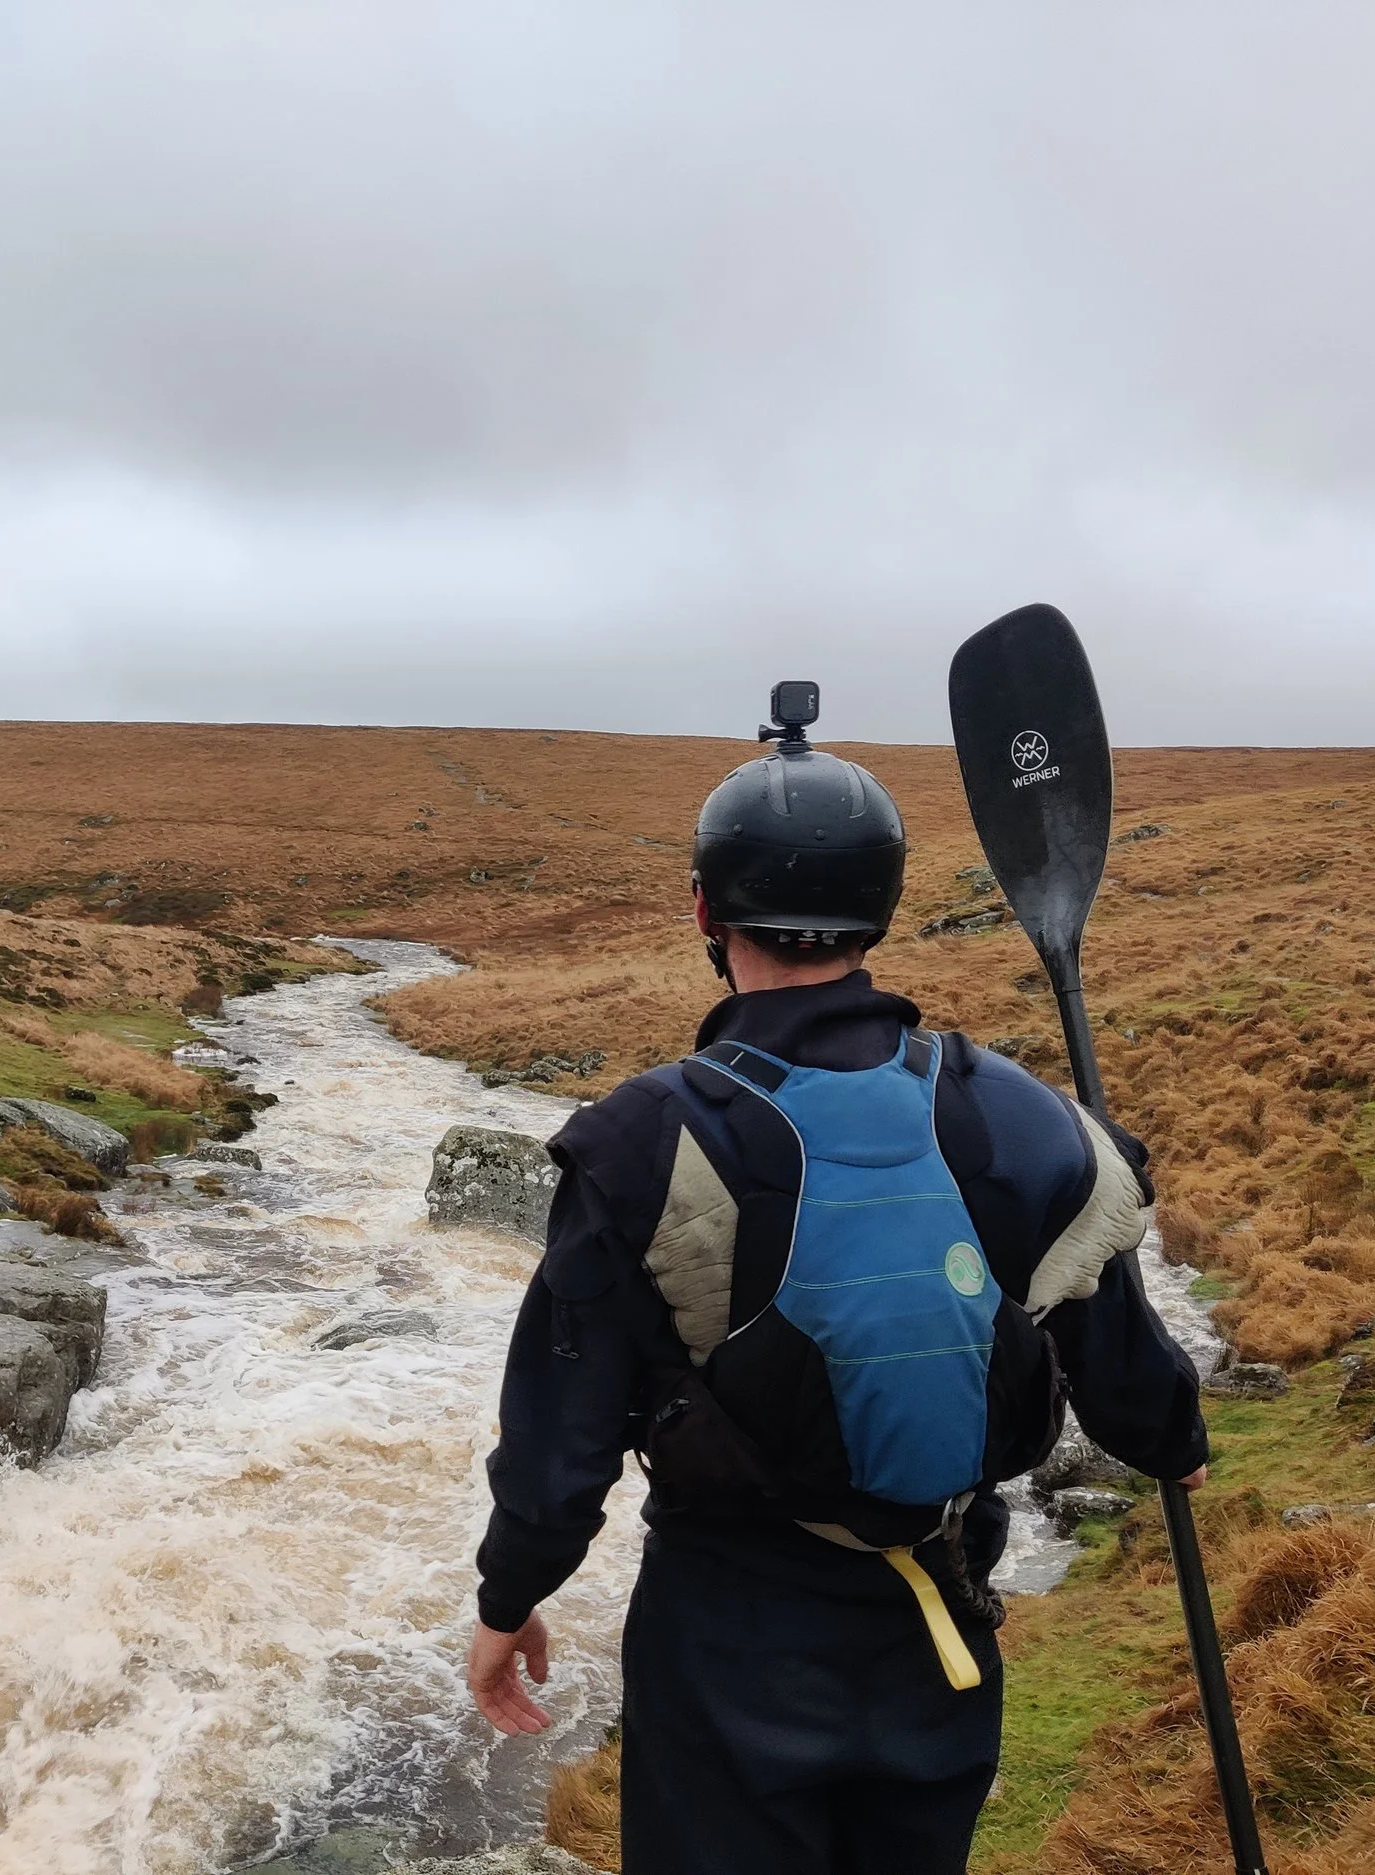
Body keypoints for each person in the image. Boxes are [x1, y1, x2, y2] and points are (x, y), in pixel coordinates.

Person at [463, 687, 1208, 1875]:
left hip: (724, 1643)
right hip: (941, 1633)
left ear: (707, 909)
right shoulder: (1021, 1119)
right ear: (881, 906)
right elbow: (1138, 1393)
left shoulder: (635, 1141)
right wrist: (1174, 1439)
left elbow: (561, 1439)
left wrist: (509, 1603)